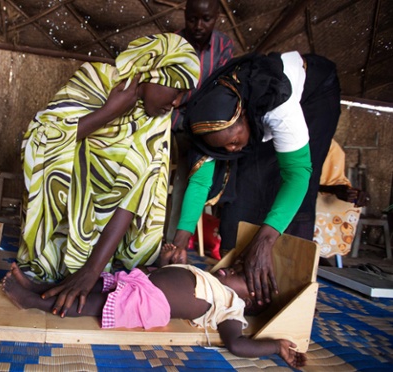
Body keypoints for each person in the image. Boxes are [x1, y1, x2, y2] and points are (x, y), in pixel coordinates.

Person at [18, 34, 200, 317]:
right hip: (64, 216)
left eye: (183, 94)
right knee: (53, 270)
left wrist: (91, 270)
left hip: (106, 239)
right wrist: (108, 112)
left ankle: (90, 275)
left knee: (100, 283)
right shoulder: (94, 81)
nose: (176, 102)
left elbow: (132, 198)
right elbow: (38, 142)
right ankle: (63, 268)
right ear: (150, 71)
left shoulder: (156, 121)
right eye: (175, 89)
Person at [170, 51, 341, 305]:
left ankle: (288, 291)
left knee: (294, 195)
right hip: (254, 119)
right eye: (222, 148)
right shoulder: (208, 121)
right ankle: (241, 280)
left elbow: (297, 174)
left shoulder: (277, 105)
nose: (230, 150)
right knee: (245, 185)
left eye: (234, 142)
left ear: (245, 117)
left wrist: (265, 239)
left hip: (315, 97)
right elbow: (200, 182)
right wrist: (180, 242)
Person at [3, 246, 306, 369]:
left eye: (240, 274)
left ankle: (30, 300)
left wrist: (274, 347)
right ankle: (36, 288)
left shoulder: (232, 307)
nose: (230, 269)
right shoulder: (211, 277)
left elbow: (236, 344)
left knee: (87, 303)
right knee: (83, 286)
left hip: (145, 303)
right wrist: (168, 264)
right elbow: (177, 278)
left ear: (250, 300)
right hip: (139, 282)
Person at [166, 0, 235, 252]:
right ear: (185, 15)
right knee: (155, 174)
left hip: (199, 126)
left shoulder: (223, 46)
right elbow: (165, 91)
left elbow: (218, 92)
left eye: (205, 19)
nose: (198, 25)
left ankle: (172, 244)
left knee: (190, 176)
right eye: (192, 18)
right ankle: (144, 240)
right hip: (167, 122)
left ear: (216, 17)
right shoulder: (172, 43)